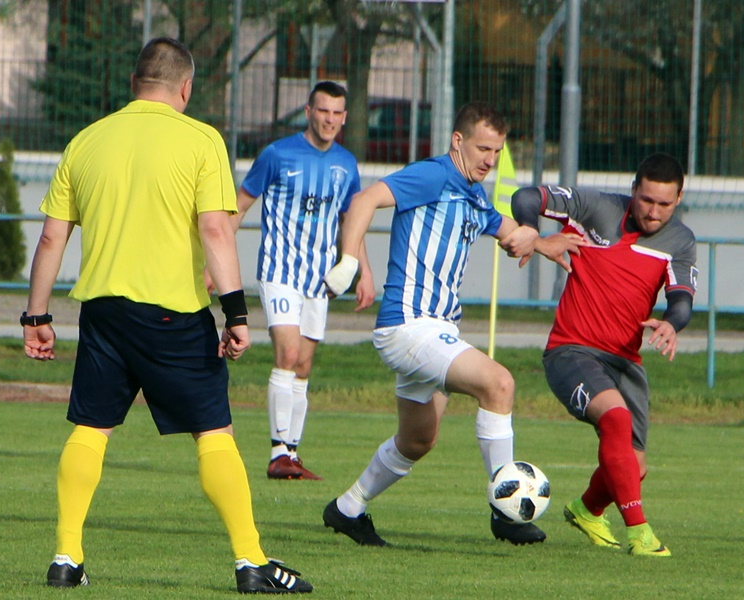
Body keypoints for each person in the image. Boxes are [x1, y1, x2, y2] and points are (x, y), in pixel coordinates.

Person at [21, 37, 312, 593]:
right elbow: (215, 229)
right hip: (173, 316)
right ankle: (251, 562)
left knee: (91, 429)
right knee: (213, 432)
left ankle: (66, 556)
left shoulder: (87, 140)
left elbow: (53, 236)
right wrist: (236, 314)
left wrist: (35, 317)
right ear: (185, 88)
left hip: (103, 313)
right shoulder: (201, 140)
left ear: (135, 84)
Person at [319, 101, 552, 547]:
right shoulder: (432, 175)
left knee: (417, 440)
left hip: (434, 330)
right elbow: (364, 200)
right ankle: (506, 513)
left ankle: (347, 508)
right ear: (457, 141)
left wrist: (542, 241)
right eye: (482, 148)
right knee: (499, 384)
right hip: (410, 326)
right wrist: (349, 262)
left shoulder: (473, 195)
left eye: (497, 152)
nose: (489, 159)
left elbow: (506, 229)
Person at [510, 152, 697, 557]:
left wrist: (671, 323)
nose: (653, 212)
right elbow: (526, 197)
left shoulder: (680, 242)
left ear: (679, 198)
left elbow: (681, 300)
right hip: (571, 351)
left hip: (625, 363)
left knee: (634, 467)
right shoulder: (596, 208)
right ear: (633, 190)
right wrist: (531, 233)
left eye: (664, 204)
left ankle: (587, 510)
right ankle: (640, 534)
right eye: (646, 200)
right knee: (615, 418)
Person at [234, 81, 374, 481]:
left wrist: (363, 271)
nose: (329, 119)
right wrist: (214, 262)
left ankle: (291, 453)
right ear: (309, 112)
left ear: (345, 118)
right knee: (289, 354)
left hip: (320, 279)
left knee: (304, 364)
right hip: (280, 272)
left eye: (337, 113)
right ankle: (277, 453)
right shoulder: (277, 155)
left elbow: (350, 221)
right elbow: (239, 206)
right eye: (322, 110)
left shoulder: (345, 163)